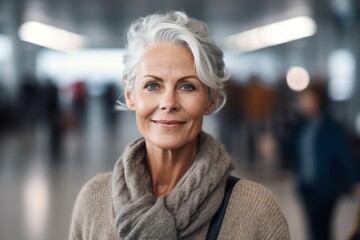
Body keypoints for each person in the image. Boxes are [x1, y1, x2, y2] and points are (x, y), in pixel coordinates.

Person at [69, 11, 290, 239]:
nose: (169, 103)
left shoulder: (255, 211)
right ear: (129, 95)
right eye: (153, 86)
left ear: (211, 99)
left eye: (187, 87)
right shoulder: (93, 201)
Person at [281, 82, 360, 240]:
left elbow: (345, 154)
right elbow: (290, 149)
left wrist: (355, 180)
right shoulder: (300, 125)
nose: (301, 102)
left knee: (322, 228)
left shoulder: (332, 127)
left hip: (326, 187)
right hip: (305, 186)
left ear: (316, 100)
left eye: (306, 98)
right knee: (312, 228)